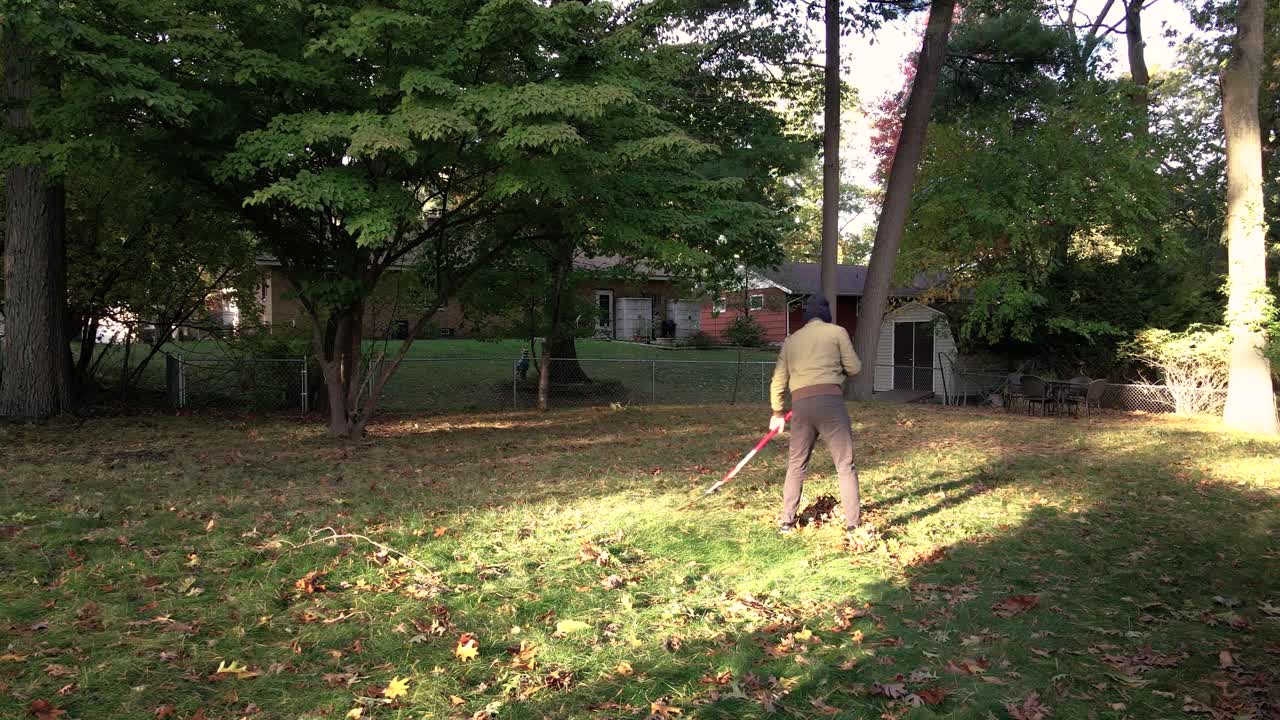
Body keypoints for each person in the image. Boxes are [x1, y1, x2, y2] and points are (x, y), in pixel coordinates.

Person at [769, 295, 862, 536]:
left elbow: (778, 381)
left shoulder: (791, 341)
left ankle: (787, 523)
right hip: (831, 403)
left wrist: (778, 411)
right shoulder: (837, 332)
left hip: (800, 406)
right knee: (844, 464)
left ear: (806, 316)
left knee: (796, 465)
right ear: (827, 314)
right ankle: (853, 526)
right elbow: (854, 368)